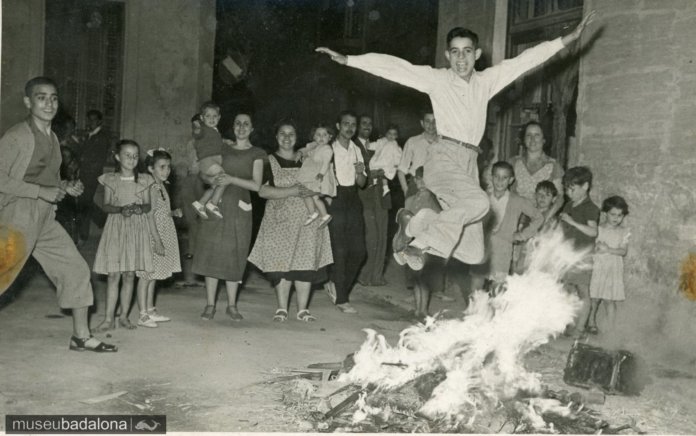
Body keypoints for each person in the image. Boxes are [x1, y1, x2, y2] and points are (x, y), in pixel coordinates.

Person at [316, 11, 596, 269]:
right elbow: (396, 67)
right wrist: (351, 60)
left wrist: (566, 39)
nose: (461, 59)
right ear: (447, 56)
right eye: (455, 53)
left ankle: (415, 223)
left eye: (467, 52)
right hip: (443, 158)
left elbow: (524, 61)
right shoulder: (437, 80)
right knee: (481, 204)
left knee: (474, 253)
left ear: (477, 55)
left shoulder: (486, 81)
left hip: (469, 165)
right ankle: (421, 242)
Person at [0, 76, 116, 352]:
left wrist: (64, 186)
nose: (49, 103)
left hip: (44, 219)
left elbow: (46, 179)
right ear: (28, 102)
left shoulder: (52, 137)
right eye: (41, 97)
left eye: (53, 98)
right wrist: (42, 191)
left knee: (75, 269)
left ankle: (81, 336)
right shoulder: (16, 136)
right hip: (18, 218)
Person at [249, 121, 333, 322]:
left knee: (304, 263)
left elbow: (324, 179)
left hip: (307, 218)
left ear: (297, 137)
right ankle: (282, 308)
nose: (287, 137)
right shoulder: (268, 160)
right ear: (276, 137)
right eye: (282, 133)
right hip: (279, 219)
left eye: (291, 134)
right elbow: (262, 190)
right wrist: (292, 191)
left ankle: (303, 309)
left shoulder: (309, 157)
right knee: (281, 264)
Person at [192, 113, 265, 321]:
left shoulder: (257, 153)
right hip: (217, 204)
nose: (241, 127)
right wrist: (210, 178)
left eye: (246, 123)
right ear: (232, 127)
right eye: (238, 123)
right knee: (211, 252)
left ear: (252, 128)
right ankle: (210, 304)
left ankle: (232, 305)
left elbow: (256, 185)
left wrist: (231, 178)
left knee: (235, 254)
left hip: (240, 207)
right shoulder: (222, 147)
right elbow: (203, 172)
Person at [92, 140, 161, 331]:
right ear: (117, 157)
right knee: (114, 275)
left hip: (136, 229)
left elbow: (147, 205)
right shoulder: (110, 179)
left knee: (130, 275)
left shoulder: (145, 179)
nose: (131, 159)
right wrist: (120, 209)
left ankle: (123, 316)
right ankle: (108, 319)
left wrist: (138, 207)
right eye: (127, 155)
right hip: (116, 227)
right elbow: (106, 205)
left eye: (135, 155)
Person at [471, 161, 543, 289]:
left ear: (511, 180)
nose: (500, 181)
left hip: (502, 250)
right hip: (481, 248)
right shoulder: (483, 198)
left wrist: (522, 235)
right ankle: (476, 309)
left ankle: (494, 309)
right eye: (496, 176)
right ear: (491, 177)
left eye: (504, 178)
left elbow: (538, 217)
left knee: (497, 288)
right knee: (476, 285)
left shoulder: (517, 201)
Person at [324, 111, 367, 313]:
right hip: (336, 197)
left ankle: (334, 282)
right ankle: (342, 299)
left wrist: (360, 172)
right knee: (339, 250)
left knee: (359, 251)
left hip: (353, 199)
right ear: (338, 126)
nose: (349, 128)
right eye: (346, 124)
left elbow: (362, 183)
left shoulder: (356, 149)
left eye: (353, 124)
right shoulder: (329, 149)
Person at [135, 149, 182, 327]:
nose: (166, 171)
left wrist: (172, 213)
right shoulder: (152, 188)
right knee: (146, 276)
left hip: (163, 231)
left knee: (153, 275)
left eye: (168, 167)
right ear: (150, 168)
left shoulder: (161, 185)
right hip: (153, 235)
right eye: (161, 167)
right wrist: (158, 241)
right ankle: (142, 315)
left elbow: (160, 212)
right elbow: (149, 217)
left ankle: (150, 310)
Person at [398, 166, 446, 319]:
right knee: (416, 277)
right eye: (417, 178)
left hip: (426, 244)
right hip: (412, 243)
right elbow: (404, 221)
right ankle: (418, 309)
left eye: (423, 178)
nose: (420, 181)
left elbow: (439, 220)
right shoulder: (410, 199)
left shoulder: (435, 201)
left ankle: (423, 310)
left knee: (424, 279)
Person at [560, 166, 600, 337]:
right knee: (566, 290)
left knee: (583, 292)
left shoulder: (590, 208)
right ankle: (568, 324)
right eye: (567, 188)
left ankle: (580, 328)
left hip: (583, 256)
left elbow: (593, 232)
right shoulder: (569, 205)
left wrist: (573, 222)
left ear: (585, 186)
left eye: (573, 188)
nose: (569, 192)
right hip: (568, 254)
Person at [353, 114, 391, 287]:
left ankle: (376, 276)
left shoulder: (380, 145)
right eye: (363, 123)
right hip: (364, 195)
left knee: (382, 234)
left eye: (370, 123)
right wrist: (371, 173)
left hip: (381, 193)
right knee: (371, 236)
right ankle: (364, 274)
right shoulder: (353, 145)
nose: (367, 126)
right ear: (357, 126)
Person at [587, 196, 630, 335]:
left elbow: (623, 251)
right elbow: (591, 248)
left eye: (620, 215)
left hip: (613, 268)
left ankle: (611, 329)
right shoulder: (598, 229)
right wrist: (596, 249)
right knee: (594, 298)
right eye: (613, 214)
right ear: (605, 213)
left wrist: (608, 250)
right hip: (598, 267)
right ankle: (591, 322)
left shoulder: (624, 232)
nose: (616, 218)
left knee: (609, 300)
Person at [77, 109, 112, 244]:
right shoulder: (90, 135)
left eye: (93, 120)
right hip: (84, 173)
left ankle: (84, 235)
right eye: (89, 120)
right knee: (84, 201)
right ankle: (103, 219)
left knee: (84, 202)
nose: (90, 122)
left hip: (91, 174)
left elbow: (98, 158)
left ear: (99, 122)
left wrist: (85, 161)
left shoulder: (101, 137)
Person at [514, 180, 560, 272]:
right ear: (535, 195)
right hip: (523, 252)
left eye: (547, 195)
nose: (542, 197)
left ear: (554, 199)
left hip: (540, 255)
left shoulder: (552, 218)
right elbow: (520, 231)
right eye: (540, 194)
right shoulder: (527, 213)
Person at [296, 124, 336, 227]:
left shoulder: (327, 149)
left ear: (330, 137)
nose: (321, 137)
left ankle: (324, 215)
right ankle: (312, 213)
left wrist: (321, 174)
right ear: (314, 137)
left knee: (315, 196)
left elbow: (326, 163)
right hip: (312, 174)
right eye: (318, 135)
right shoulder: (317, 147)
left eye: (324, 135)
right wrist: (304, 158)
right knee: (307, 194)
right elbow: (310, 155)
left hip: (320, 176)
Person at [191, 102, 226, 219]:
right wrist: (197, 127)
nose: (212, 119)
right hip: (208, 161)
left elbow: (217, 145)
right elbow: (197, 133)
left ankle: (201, 203)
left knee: (216, 184)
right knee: (223, 178)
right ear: (202, 118)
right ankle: (213, 204)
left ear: (219, 117)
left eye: (215, 116)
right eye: (208, 116)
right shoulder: (203, 129)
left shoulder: (215, 131)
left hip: (212, 161)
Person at [397, 110, 438, 197]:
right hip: (416, 187)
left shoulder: (443, 143)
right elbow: (401, 170)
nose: (431, 125)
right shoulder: (412, 142)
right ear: (422, 123)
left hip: (437, 187)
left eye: (435, 121)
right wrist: (406, 191)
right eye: (427, 121)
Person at [367, 124, 402, 197]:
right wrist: (369, 145)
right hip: (379, 159)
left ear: (397, 136)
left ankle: (385, 188)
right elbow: (375, 145)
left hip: (387, 162)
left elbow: (398, 155)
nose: (391, 136)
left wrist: (396, 163)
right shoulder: (381, 141)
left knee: (384, 174)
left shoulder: (395, 145)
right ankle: (374, 182)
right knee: (374, 167)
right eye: (389, 133)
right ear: (386, 133)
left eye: (394, 134)